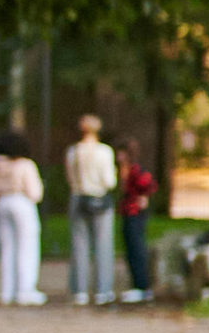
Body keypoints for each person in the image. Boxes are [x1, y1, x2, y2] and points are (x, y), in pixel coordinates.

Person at [65, 112, 120, 306]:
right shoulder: (104, 152)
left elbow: (71, 178)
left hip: (79, 198)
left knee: (79, 244)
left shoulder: (73, 151)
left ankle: (79, 290)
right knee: (103, 244)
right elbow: (109, 181)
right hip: (100, 199)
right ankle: (103, 289)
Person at [0, 131, 47, 305]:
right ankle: (25, 290)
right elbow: (35, 192)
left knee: (7, 248)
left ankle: (7, 291)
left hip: (3, 202)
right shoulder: (25, 164)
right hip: (22, 202)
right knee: (27, 247)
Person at [116, 136, 156, 303]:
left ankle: (142, 285)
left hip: (135, 213)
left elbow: (148, 184)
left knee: (137, 248)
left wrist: (143, 196)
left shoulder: (135, 170)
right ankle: (136, 284)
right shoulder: (124, 170)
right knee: (130, 249)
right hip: (127, 212)